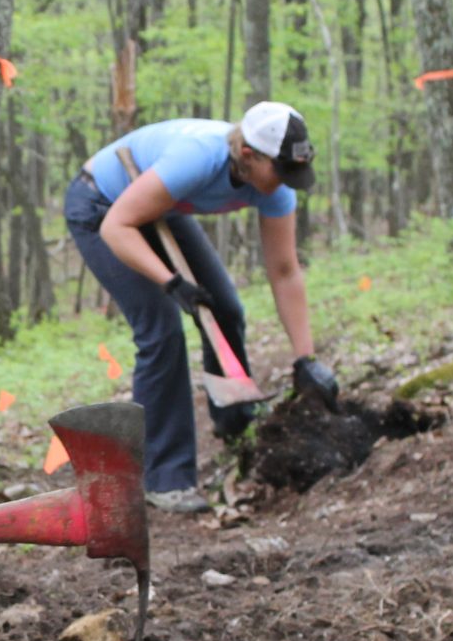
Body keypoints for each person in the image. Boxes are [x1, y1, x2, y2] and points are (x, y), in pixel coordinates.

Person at [62, 102, 338, 514]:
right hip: (102, 206)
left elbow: (284, 271)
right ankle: (165, 478)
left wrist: (305, 358)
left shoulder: (275, 187)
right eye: (279, 171)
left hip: (157, 207)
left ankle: (236, 421)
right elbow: (117, 227)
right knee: (162, 330)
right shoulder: (197, 158)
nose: (285, 183)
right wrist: (172, 283)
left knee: (225, 308)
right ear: (248, 154)